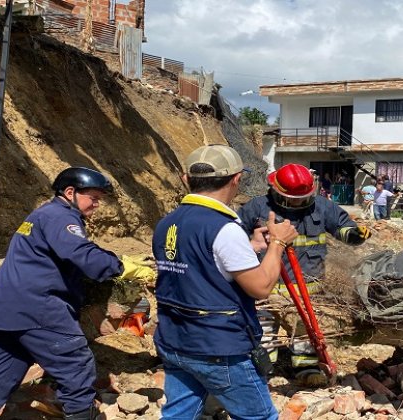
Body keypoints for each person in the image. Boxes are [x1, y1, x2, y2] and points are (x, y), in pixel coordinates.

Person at [0, 167, 155, 420]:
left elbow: (67, 253)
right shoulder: (61, 217)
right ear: (70, 192)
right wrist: (120, 266)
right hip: (37, 308)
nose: (97, 205)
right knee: (76, 367)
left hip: (2, 311)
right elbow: (81, 254)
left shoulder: (44, 215)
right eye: (93, 198)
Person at [152, 145, 298, 420]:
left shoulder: (167, 223)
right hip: (217, 347)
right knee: (259, 417)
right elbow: (261, 287)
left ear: (186, 179)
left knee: (179, 414)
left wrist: (250, 247)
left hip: (175, 339)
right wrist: (278, 242)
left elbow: (199, 266)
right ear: (236, 179)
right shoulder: (224, 228)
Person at [237, 163, 371, 384]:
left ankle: (306, 371)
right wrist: (251, 243)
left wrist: (356, 234)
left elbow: (342, 227)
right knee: (264, 332)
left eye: (302, 198)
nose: (298, 203)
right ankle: (263, 374)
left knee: (305, 332)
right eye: (292, 199)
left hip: (308, 291)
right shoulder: (257, 207)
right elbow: (233, 235)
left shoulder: (322, 207)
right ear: (276, 190)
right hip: (266, 290)